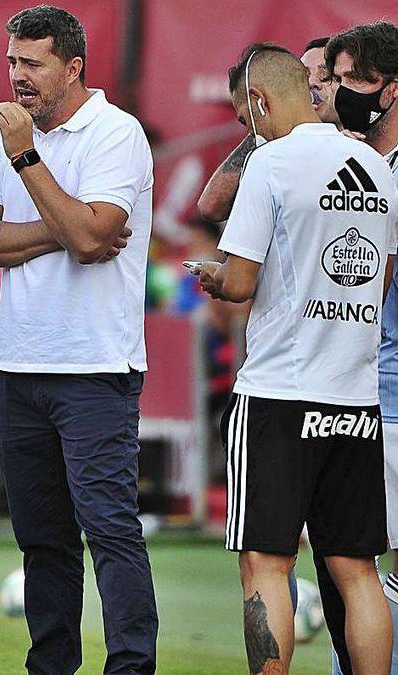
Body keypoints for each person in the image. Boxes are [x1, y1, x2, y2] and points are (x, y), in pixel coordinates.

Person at [192, 42, 396, 674]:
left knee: (265, 562)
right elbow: (381, 277)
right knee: (357, 568)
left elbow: (243, 280)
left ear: (257, 102)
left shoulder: (271, 163)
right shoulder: (376, 165)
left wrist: (212, 276)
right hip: (357, 395)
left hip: (280, 394)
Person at [0, 5, 158, 673]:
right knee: (42, 542)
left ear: (74, 66)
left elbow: (95, 238)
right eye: (11, 62)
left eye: (32, 63)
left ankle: (131, 667)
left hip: (95, 367)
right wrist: (68, 226)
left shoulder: (115, 133)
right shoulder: (0, 135)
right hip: (17, 365)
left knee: (111, 531)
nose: (17, 76)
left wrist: (27, 158)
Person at [327, 21, 398, 674]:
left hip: (385, 395)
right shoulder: (367, 166)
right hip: (369, 391)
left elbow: (372, 288)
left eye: (356, 80)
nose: (343, 92)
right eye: (336, 77)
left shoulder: (382, 175)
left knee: (355, 562)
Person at [197, 36, 342, 224]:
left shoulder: (367, 147)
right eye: (303, 76)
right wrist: (261, 124)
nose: (312, 83)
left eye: (326, 76)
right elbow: (210, 207)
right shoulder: (272, 150)